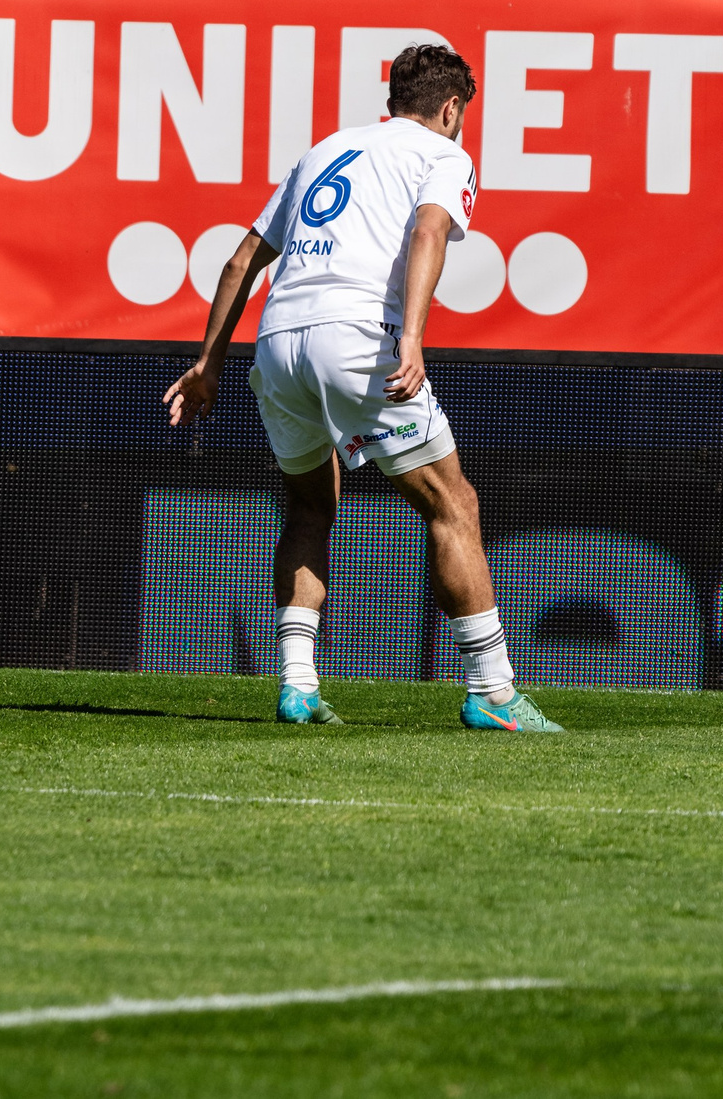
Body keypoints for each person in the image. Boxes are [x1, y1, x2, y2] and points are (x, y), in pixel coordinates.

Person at [167, 43, 562, 732]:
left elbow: (238, 261)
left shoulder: (324, 149)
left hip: (279, 337)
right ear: (449, 108)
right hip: (356, 338)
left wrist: (209, 364)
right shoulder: (443, 154)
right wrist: (410, 337)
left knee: (310, 504)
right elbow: (430, 231)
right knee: (453, 502)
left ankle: (296, 685)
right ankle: (493, 690)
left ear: (391, 103)